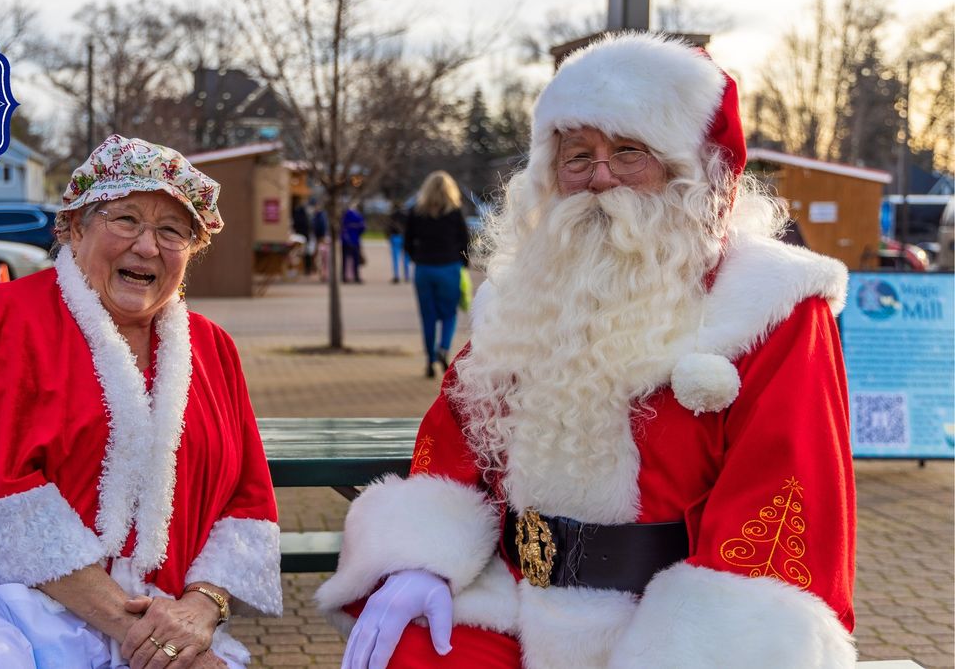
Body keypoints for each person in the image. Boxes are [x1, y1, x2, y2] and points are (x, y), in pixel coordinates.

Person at [317, 33, 856, 668]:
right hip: (515, 600)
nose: (600, 177)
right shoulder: (522, 296)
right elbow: (456, 446)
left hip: (669, 620)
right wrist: (423, 562)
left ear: (690, 170)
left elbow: (782, 499)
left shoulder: (771, 307)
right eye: (577, 156)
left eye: (629, 151)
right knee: (413, 647)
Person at [0, 135, 283, 669]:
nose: (147, 247)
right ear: (74, 227)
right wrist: (150, 639)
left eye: (172, 231)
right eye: (126, 220)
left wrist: (202, 606)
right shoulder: (1, 318)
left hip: (161, 619)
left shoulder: (214, 349)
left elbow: (246, 501)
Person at [404, 171, 470, 378]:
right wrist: (463, 264)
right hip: (449, 267)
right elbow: (465, 242)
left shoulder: (416, 212)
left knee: (428, 316)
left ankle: (430, 360)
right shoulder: (455, 212)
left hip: (424, 269)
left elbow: (407, 241)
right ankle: (443, 349)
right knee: (449, 314)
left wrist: (416, 258)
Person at [386, 201, 412, 284]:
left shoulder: (392, 216)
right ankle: (407, 276)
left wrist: (388, 237)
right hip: (405, 237)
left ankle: (396, 276)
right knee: (406, 258)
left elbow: (388, 228)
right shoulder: (406, 216)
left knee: (395, 258)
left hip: (395, 237)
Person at [342, 203, 367, 283]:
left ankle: (344, 277)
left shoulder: (343, 215)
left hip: (345, 241)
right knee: (355, 260)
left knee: (345, 260)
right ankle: (356, 277)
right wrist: (357, 234)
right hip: (355, 240)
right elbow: (363, 227)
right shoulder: (357, 216)